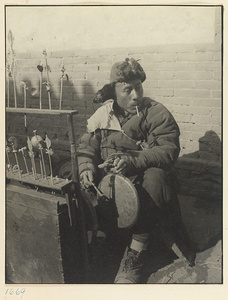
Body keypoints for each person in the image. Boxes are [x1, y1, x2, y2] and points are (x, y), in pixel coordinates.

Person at [77, 58, 196, 284]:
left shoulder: (155, 113)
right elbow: (86, 147)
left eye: (138, 87)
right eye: (128, 89)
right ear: (114, 91)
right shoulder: (103, 116)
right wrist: (87, 168)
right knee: (76, 182)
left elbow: (167, 150)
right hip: (112, 186)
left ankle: (135, 256)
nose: (136, 95)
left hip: (145, 186)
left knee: (157, 177)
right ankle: (103, 238)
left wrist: (132, 160)